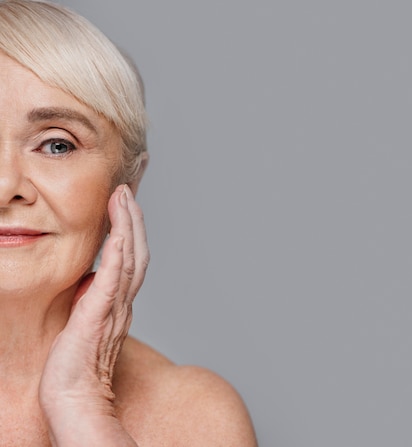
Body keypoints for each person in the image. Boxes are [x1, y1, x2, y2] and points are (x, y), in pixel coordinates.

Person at [0, 0, 257, 445]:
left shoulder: (195, 418)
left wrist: (81, 406)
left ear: (127, 184)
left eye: (57, 145)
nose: (5, 186)